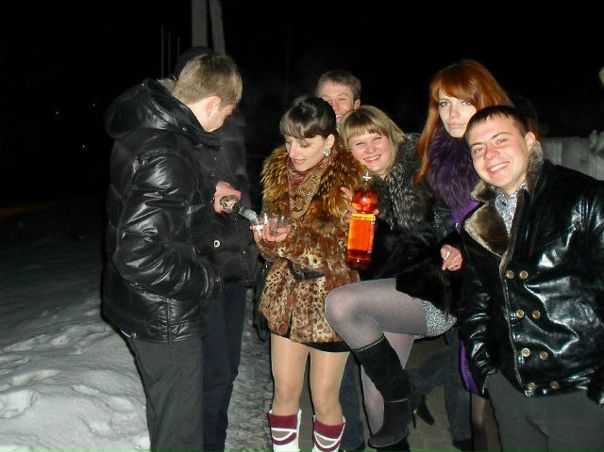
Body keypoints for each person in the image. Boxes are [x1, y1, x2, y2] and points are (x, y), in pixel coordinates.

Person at [102, 53, 243, 452]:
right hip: (163, 315)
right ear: (212, 103)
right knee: (181, 434)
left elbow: (151, 202)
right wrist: (207, 278)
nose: (225, 121)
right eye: (227, 112)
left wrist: (203, 193)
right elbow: (139, 255)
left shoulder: (148, 129)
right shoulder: (169, 153)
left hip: (140, 306)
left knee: (168, 417)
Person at [459, 104, 604, 452]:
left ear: (529, 141)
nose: (489, 155)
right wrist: (488, 373)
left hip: (579, 387)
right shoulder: (478, 223)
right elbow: (475, 304)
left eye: (500, 140)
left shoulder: (583, 197)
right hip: (512, 388)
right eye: (478, 149)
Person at [325, 105, 462, 451]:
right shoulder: (356, 190)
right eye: (358, 143)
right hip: (389, 300)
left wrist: (455, 246)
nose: (370, 149)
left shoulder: (423, 173)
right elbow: (361, 261)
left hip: (433, 292)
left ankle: (403, 390)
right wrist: (347, 224)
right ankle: (400, 402)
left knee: (340, 303)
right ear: (348, 151)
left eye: (376, 138)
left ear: (392, 137)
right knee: (376, 397)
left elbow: (454, 222)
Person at [410, 59, 513, 452]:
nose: (452, 114)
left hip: (509, 289)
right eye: (444, 103)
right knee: (476, 390)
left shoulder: (503, 153)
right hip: (467, 286)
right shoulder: (439, 158)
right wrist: (450, 245)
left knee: (497, 402)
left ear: (485, 100)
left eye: (464, 103)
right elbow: (444, 221)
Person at [254, 96, 363, 452]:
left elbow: (345, 254)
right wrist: (266, 239)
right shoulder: (277, 172)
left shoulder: (351, 180)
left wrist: (288, 240)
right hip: (286, 297)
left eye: (305, 143)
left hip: (333, 302)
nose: (294, 152)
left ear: (329, 140)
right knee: (284, 392)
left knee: (325, 397)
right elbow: (273, 250)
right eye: (288, 141)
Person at [173, 46, 258, 452]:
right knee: (214, 375)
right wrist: (209, 195)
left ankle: (214, 443)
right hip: (202, 266)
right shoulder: (175, 132)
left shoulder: (230, 125)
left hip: (232, 265)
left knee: (228, 371)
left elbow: (237, 189)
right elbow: (175, 196)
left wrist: (254, 230)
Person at [315, 68, 366, 452]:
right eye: (325, 99)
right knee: (338, 368)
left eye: (341, 99)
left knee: (375, 366)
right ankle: (349, 442)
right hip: (326, 276)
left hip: (371, 273)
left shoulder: (369, 145)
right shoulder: (305, 148)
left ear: (356, 105)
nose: (333, 107)